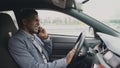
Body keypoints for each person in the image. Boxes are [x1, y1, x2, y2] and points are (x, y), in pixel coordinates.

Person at [8, 9, 76, 68]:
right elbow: (33, 67)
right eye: (36, 20)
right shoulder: (16, 42)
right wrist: (65, 61)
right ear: (25, 22)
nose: (39, 24)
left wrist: (45, 39)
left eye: (39, 21)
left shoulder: (35, 36)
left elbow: (47, 54)